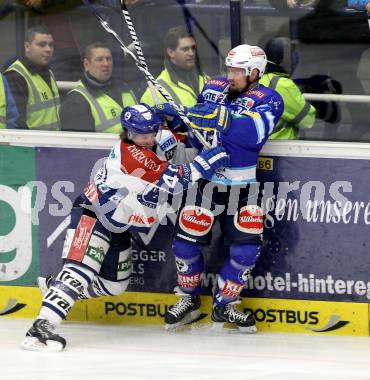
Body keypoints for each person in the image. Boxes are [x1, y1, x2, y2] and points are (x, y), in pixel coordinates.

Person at [21, 103, 229, 351]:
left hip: (118, 225)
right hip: (93, 213)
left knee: (114, 284)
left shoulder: (157, 137)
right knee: (79, 272)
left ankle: (58, 289)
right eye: (142, 135)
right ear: (128, 132)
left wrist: (176, 122)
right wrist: (205, 164)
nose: (148, 139)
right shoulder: (131, 154)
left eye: (152, 132)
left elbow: (182, 147)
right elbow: (175, 180)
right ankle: (41, 328)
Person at [160, 44, 284, 332]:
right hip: (205, 180)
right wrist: (180, 118)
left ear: (255, 73)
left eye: (237, 71)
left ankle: (225, 305)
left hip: (243, 187)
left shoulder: (269, 99)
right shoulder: (213, 88)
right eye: (229, 69)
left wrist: (216, 117)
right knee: (184, 245)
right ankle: (188, 301)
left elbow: (248, 135)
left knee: (245, 253)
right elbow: (195, 134)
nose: (230, 76)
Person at [60, 42, 137, 133]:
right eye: (99, 59)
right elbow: (82, 143)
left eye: (108, 59)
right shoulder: (76, 101)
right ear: (86, 65)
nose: (106, 63)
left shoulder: (125, 89)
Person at [4, 25, 61, 130]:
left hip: (50, 143)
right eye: (42, 45)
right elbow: (17, 123)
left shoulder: (47, 71)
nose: (48, 49)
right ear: (27, 47)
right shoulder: (16, 76)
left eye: (51, 45)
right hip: (32, 144)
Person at [259, 37, 316, 140]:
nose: (296, 57)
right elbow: (307, 120)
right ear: (283, 59)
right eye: (291, 53)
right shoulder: (283, 85)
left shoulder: (258, 78)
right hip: (281, 149)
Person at [140, 25, 209, 108]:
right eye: (185, 49)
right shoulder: (154, 93)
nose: (191, 53)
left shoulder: (207, 80)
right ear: (171, 52)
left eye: (193, 48)